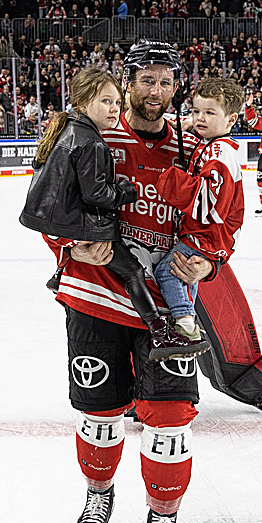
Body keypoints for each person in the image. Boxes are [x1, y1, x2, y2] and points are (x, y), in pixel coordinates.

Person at [41, 39, 213, 523]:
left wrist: (207, 264)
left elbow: (216, 223)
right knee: (100, 413)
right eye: (146, 81)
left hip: (165, 310)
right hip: (95, 297)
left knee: (169, 421)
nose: (156, 92)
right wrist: (68, 245)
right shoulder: (92, 134)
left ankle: (163, 519)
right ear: (128, 81)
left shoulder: (194, 148)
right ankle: (98, 494)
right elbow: (50, 201)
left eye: (166, 82)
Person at [19, 66, 209, 363]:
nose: (113, 109)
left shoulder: (67, 130)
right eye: (106, 101)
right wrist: (124, 191)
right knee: (133, 271)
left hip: (65, 223)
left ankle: (59, 273)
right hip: (84, 232)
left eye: (116, 102)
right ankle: (159, 330)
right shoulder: (94, 141)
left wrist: (211, 264)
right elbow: (96, 195)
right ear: (83, 101)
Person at [154, 76, 246, 353]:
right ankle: (186, 319)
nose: (199, 118)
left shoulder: (219, 152)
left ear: (230, 120)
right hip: (207, 234)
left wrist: (170, 180)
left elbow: (209, 204)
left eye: (209, 113)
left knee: (168, 272)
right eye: (196, 111)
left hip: (207, 234)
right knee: (185, 277)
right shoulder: (212, 144)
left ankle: (185, 325)